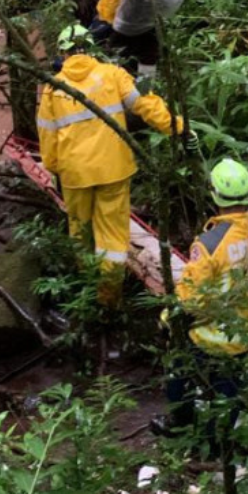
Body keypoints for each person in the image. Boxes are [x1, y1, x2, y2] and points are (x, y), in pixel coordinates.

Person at [37, 23, 198, 308]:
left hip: (75, 175)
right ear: (91, 47)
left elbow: (47, 139)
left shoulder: (53, 88)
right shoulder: (112, 75)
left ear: (63, 52)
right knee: (112, 238)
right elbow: (147, 105)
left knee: (81, 232)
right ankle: (109, 298)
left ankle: (87, 290)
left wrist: (55, 170)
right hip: (114, 170)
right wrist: (178, 128)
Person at [153, 158, 248, 457]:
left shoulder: (209, 244)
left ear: (214, 196)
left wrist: (167, 319)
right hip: (245, 331)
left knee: (179, 374)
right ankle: (231, 437)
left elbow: (191, 298)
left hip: (208, 337)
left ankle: (183, 429)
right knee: (232, 390)